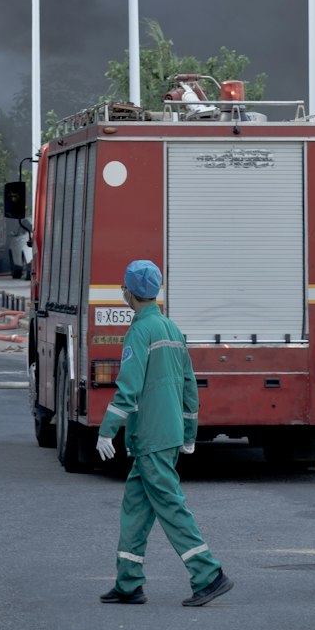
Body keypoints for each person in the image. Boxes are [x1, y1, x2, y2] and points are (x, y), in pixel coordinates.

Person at [96, 259, 233, 608]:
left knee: (171, 507)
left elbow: (128, 388)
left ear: (128, 292)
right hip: (167, 435)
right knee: (136, 508)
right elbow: (190, 387)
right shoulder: (171, 329)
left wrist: (106, 431)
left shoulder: (140, 332)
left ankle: (208, 574)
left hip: (151, 438)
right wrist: (188, 432)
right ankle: (128, 583)